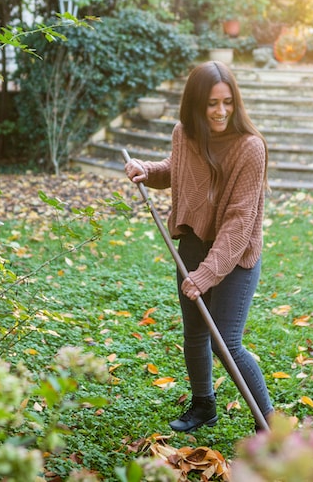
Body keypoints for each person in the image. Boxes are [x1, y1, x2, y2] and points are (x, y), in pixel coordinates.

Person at [124, 60, 274, 433]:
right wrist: (149, 170)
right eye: (211, 104)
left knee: (227, 342)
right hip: (192, 243)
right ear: (196, 105)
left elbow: (239, 222)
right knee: (194, 335)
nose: (221, 111)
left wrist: (207, 273)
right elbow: (179, 170)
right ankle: (203, 406)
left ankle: (269, 423)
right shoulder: (185, 133)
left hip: (235, 255)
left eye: (227, 102)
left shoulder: (250, 148)